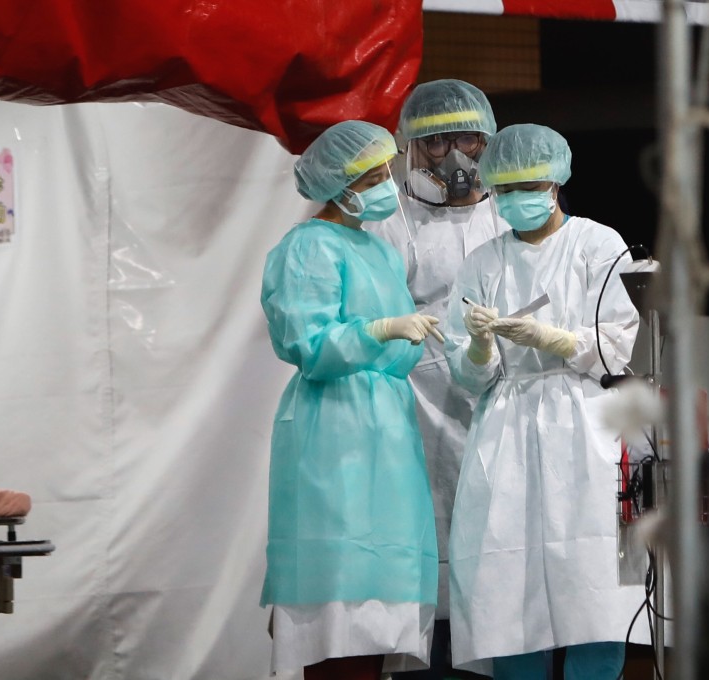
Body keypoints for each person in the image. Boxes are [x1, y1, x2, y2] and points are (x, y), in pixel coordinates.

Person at [442, 123, 643, 679]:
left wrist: (552, 338)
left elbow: (616, 343)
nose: (514, 200)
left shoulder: (597, 243)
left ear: (554, 180)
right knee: (510, 584)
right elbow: (467, 375)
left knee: (592, 584)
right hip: (505, 429)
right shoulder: (483, 262)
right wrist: (481, 345)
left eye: (526, 186)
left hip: (582, 423)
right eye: (503, 190)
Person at [260, 120, 441, 679]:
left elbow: (397, 357)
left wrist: (424, 338)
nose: (388, 183)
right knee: (336, 595)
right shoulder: (306, 247)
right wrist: (379, 330)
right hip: (332, 431)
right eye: (374, 175)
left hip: (387, 432)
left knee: (382, 598)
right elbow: (306, 344)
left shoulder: (380, 252)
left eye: (388, 170)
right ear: (341, 185)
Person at [367, 79, 507, 680]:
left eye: (469, 143)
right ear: (408, 148)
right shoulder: (387, 222)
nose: (456, 159)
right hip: (413, 412)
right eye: (436, 144)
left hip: (496, 407)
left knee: (493, 555)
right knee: (421, 558)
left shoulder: (506, 215)